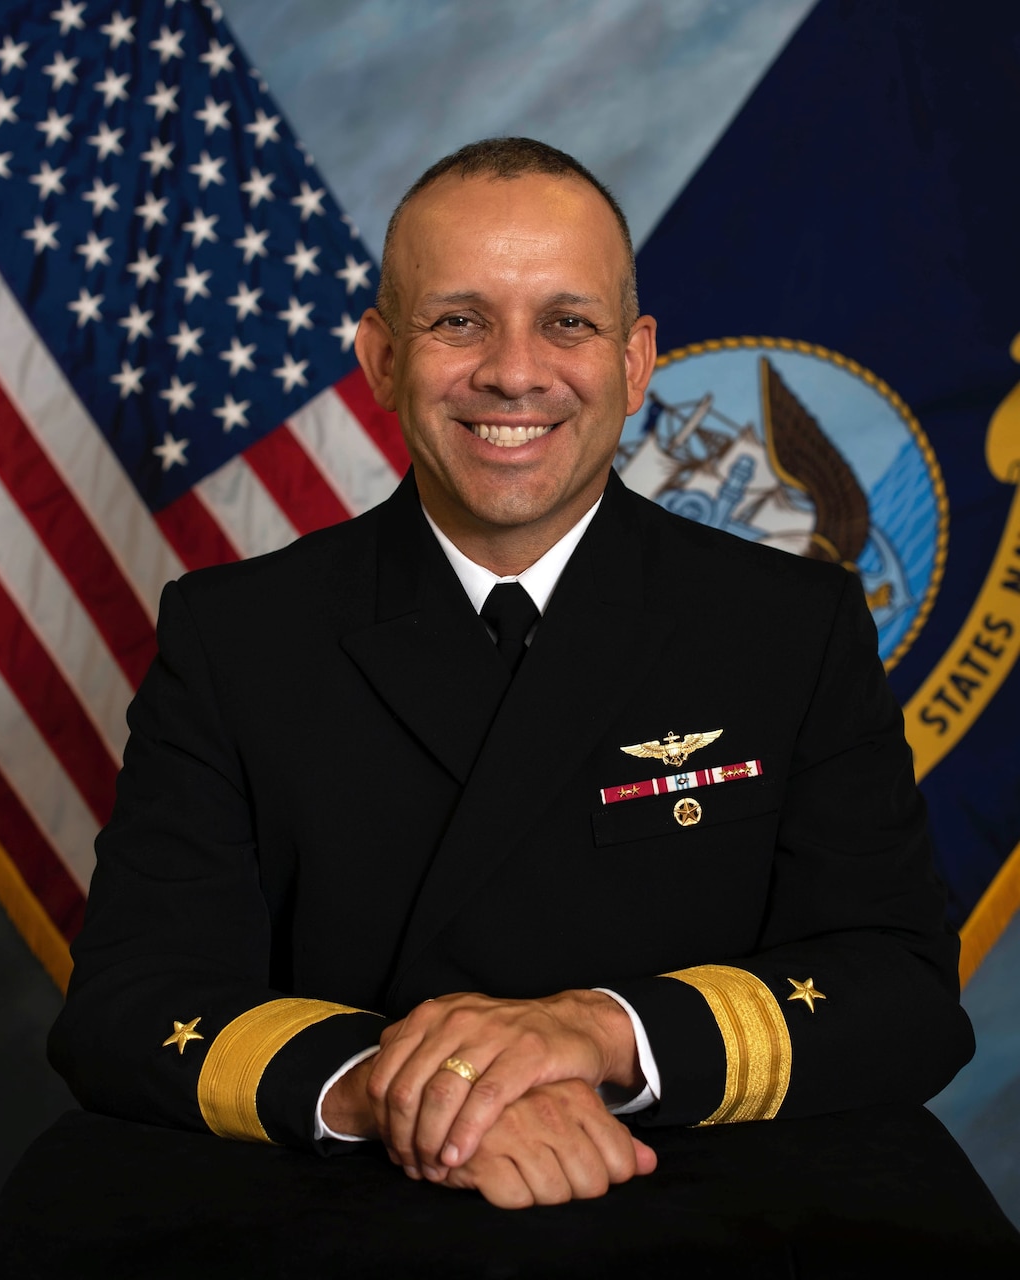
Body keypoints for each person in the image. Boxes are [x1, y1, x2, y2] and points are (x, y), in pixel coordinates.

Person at [49, 137, 974, 1212]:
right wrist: (419, 1091)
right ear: (381, 358)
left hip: (711, 1205)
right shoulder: (236, 634)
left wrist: (594, 1032)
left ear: (634, 364)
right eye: (459, 320)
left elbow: (902, 988)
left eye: (566, 321)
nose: (515, 370)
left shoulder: (789, 625)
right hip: (350, 1215)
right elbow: (124, 1005)